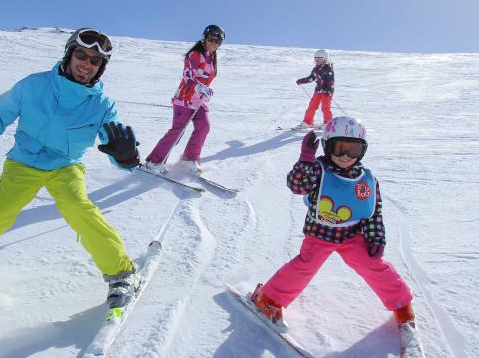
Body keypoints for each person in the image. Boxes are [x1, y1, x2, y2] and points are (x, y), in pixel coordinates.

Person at [0, 28, 142, 330]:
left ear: (100, 67)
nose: (86, 64)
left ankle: (121, 274)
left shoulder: (102, 104)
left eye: (94, 61)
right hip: (23, 162)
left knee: (78, 207)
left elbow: (114, 138)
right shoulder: (34, 85)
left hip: (66, 165)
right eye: (81, 55)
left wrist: (126, 158)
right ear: (69, 54)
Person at [250, 116, 416, 334]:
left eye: (353, 150)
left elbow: (372, 210)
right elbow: (297, 186)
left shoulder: (365, 179)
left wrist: (376, 236)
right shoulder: (319, 170)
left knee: (374, 266)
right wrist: (306, 159)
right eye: (339, 149)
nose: (345, 156)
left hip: (352, 236)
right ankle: (269, 298)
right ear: (327, 147)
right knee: (304, 267)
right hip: (320, 235)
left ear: (362, 151)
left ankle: (401, 304)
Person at [144, 25, 224, 174]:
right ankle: (154, 161)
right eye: (211, 40)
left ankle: (189, 159)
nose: (213, 44)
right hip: (185, 99)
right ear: (204, 38)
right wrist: (200, 87)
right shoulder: (195, 54)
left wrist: (205, 91)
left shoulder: (211, 56)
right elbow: (188, 77)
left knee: (204, 126)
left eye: (217, 42)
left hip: (199, 101)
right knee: (178, 131)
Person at [295, 49, 334, 130]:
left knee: (325, 107)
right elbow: (311, 78)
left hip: (326, 91)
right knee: (312, 106)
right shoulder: (315, 69)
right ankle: (307, 122)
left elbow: (331, 81)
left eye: (319, 59)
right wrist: (301, 81)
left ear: (324, 59)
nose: (317, 60)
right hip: (318, 91)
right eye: (316, 59)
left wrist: (328, 90)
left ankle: (328, 123)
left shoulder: (328, 69)